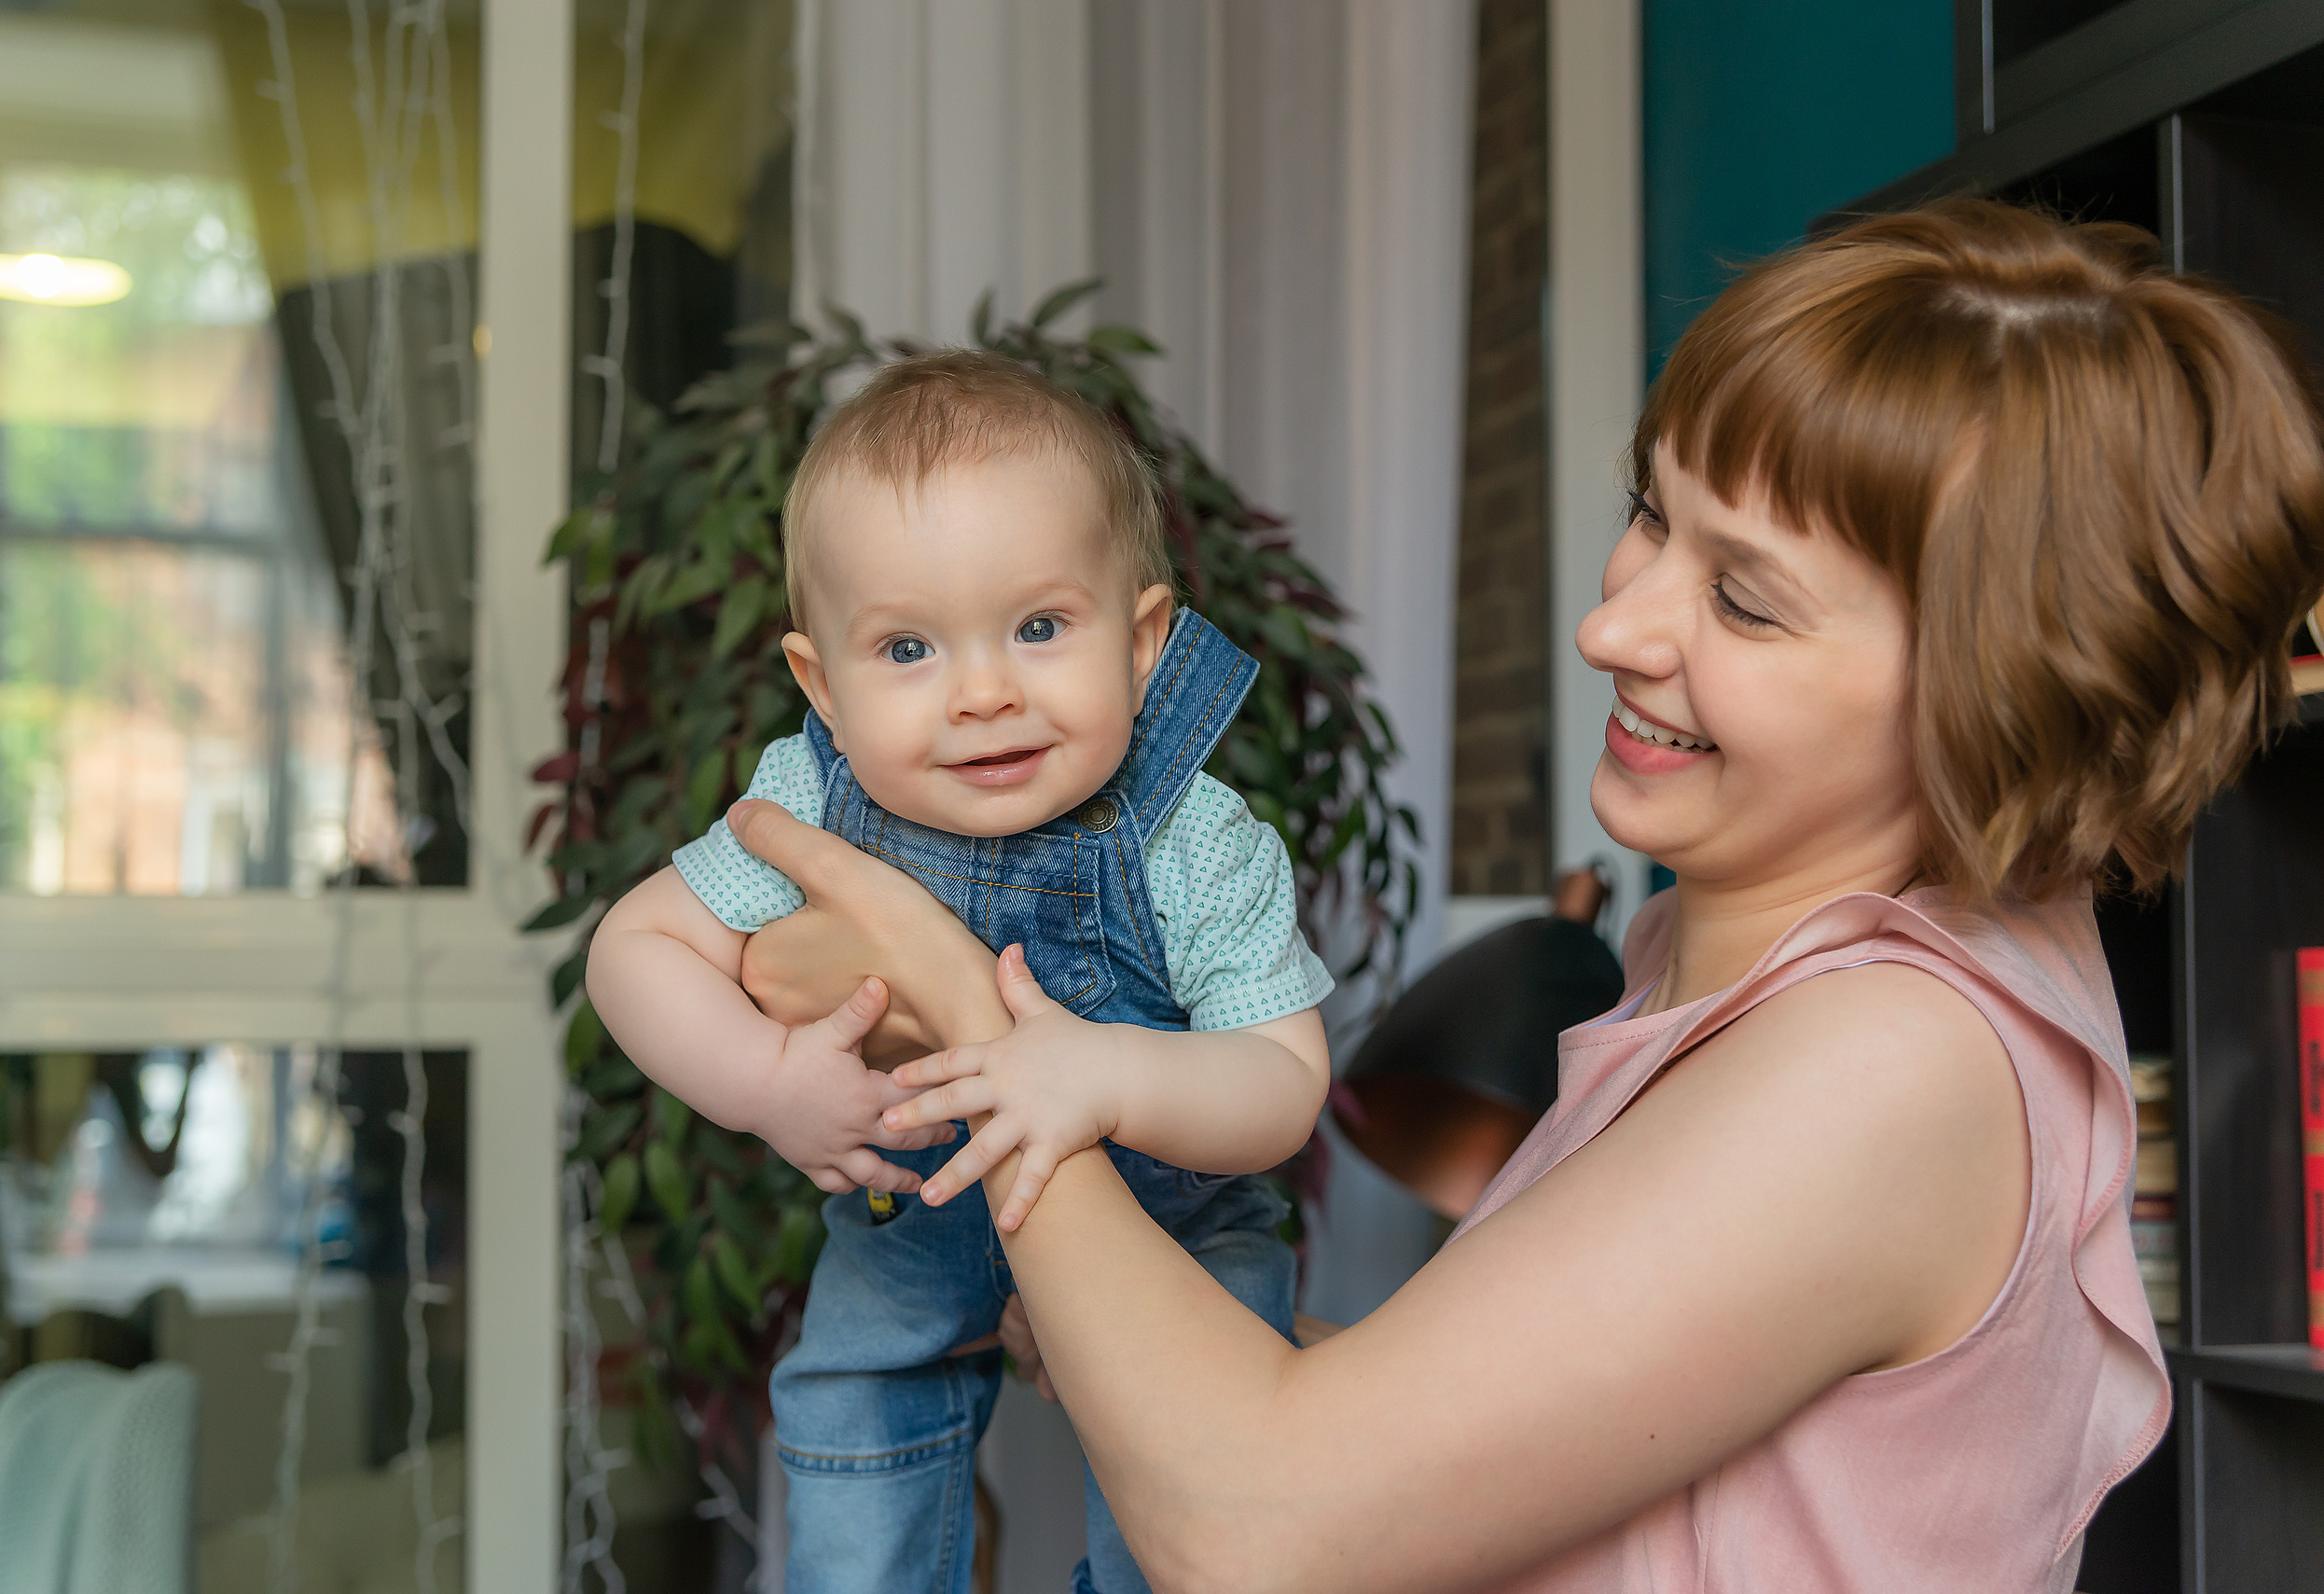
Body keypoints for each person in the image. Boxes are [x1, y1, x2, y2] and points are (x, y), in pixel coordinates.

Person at [725, 201, 2324, 1592]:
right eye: (1651, 515)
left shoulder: (1892, 1062)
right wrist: (1129, 1340)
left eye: (1745, 601)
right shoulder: (1735, 968)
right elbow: (1494, 1444)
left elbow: (1261, 1527)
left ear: (1998, 691)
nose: (1615, 629)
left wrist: (958, 999)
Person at [584, 351, 1335, 1594]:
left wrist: (1106, 1074)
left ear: (1143, 641)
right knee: (848, 1410)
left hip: (1170, 1240)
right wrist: (767, 1078)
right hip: (918, 1213)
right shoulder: (810, 803)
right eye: (909, 649)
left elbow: (1282, 1083)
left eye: (1040, 627)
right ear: (821, 688)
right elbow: (634, 950)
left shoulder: (1196, 836)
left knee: (1195, 1502)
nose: (985, 693)